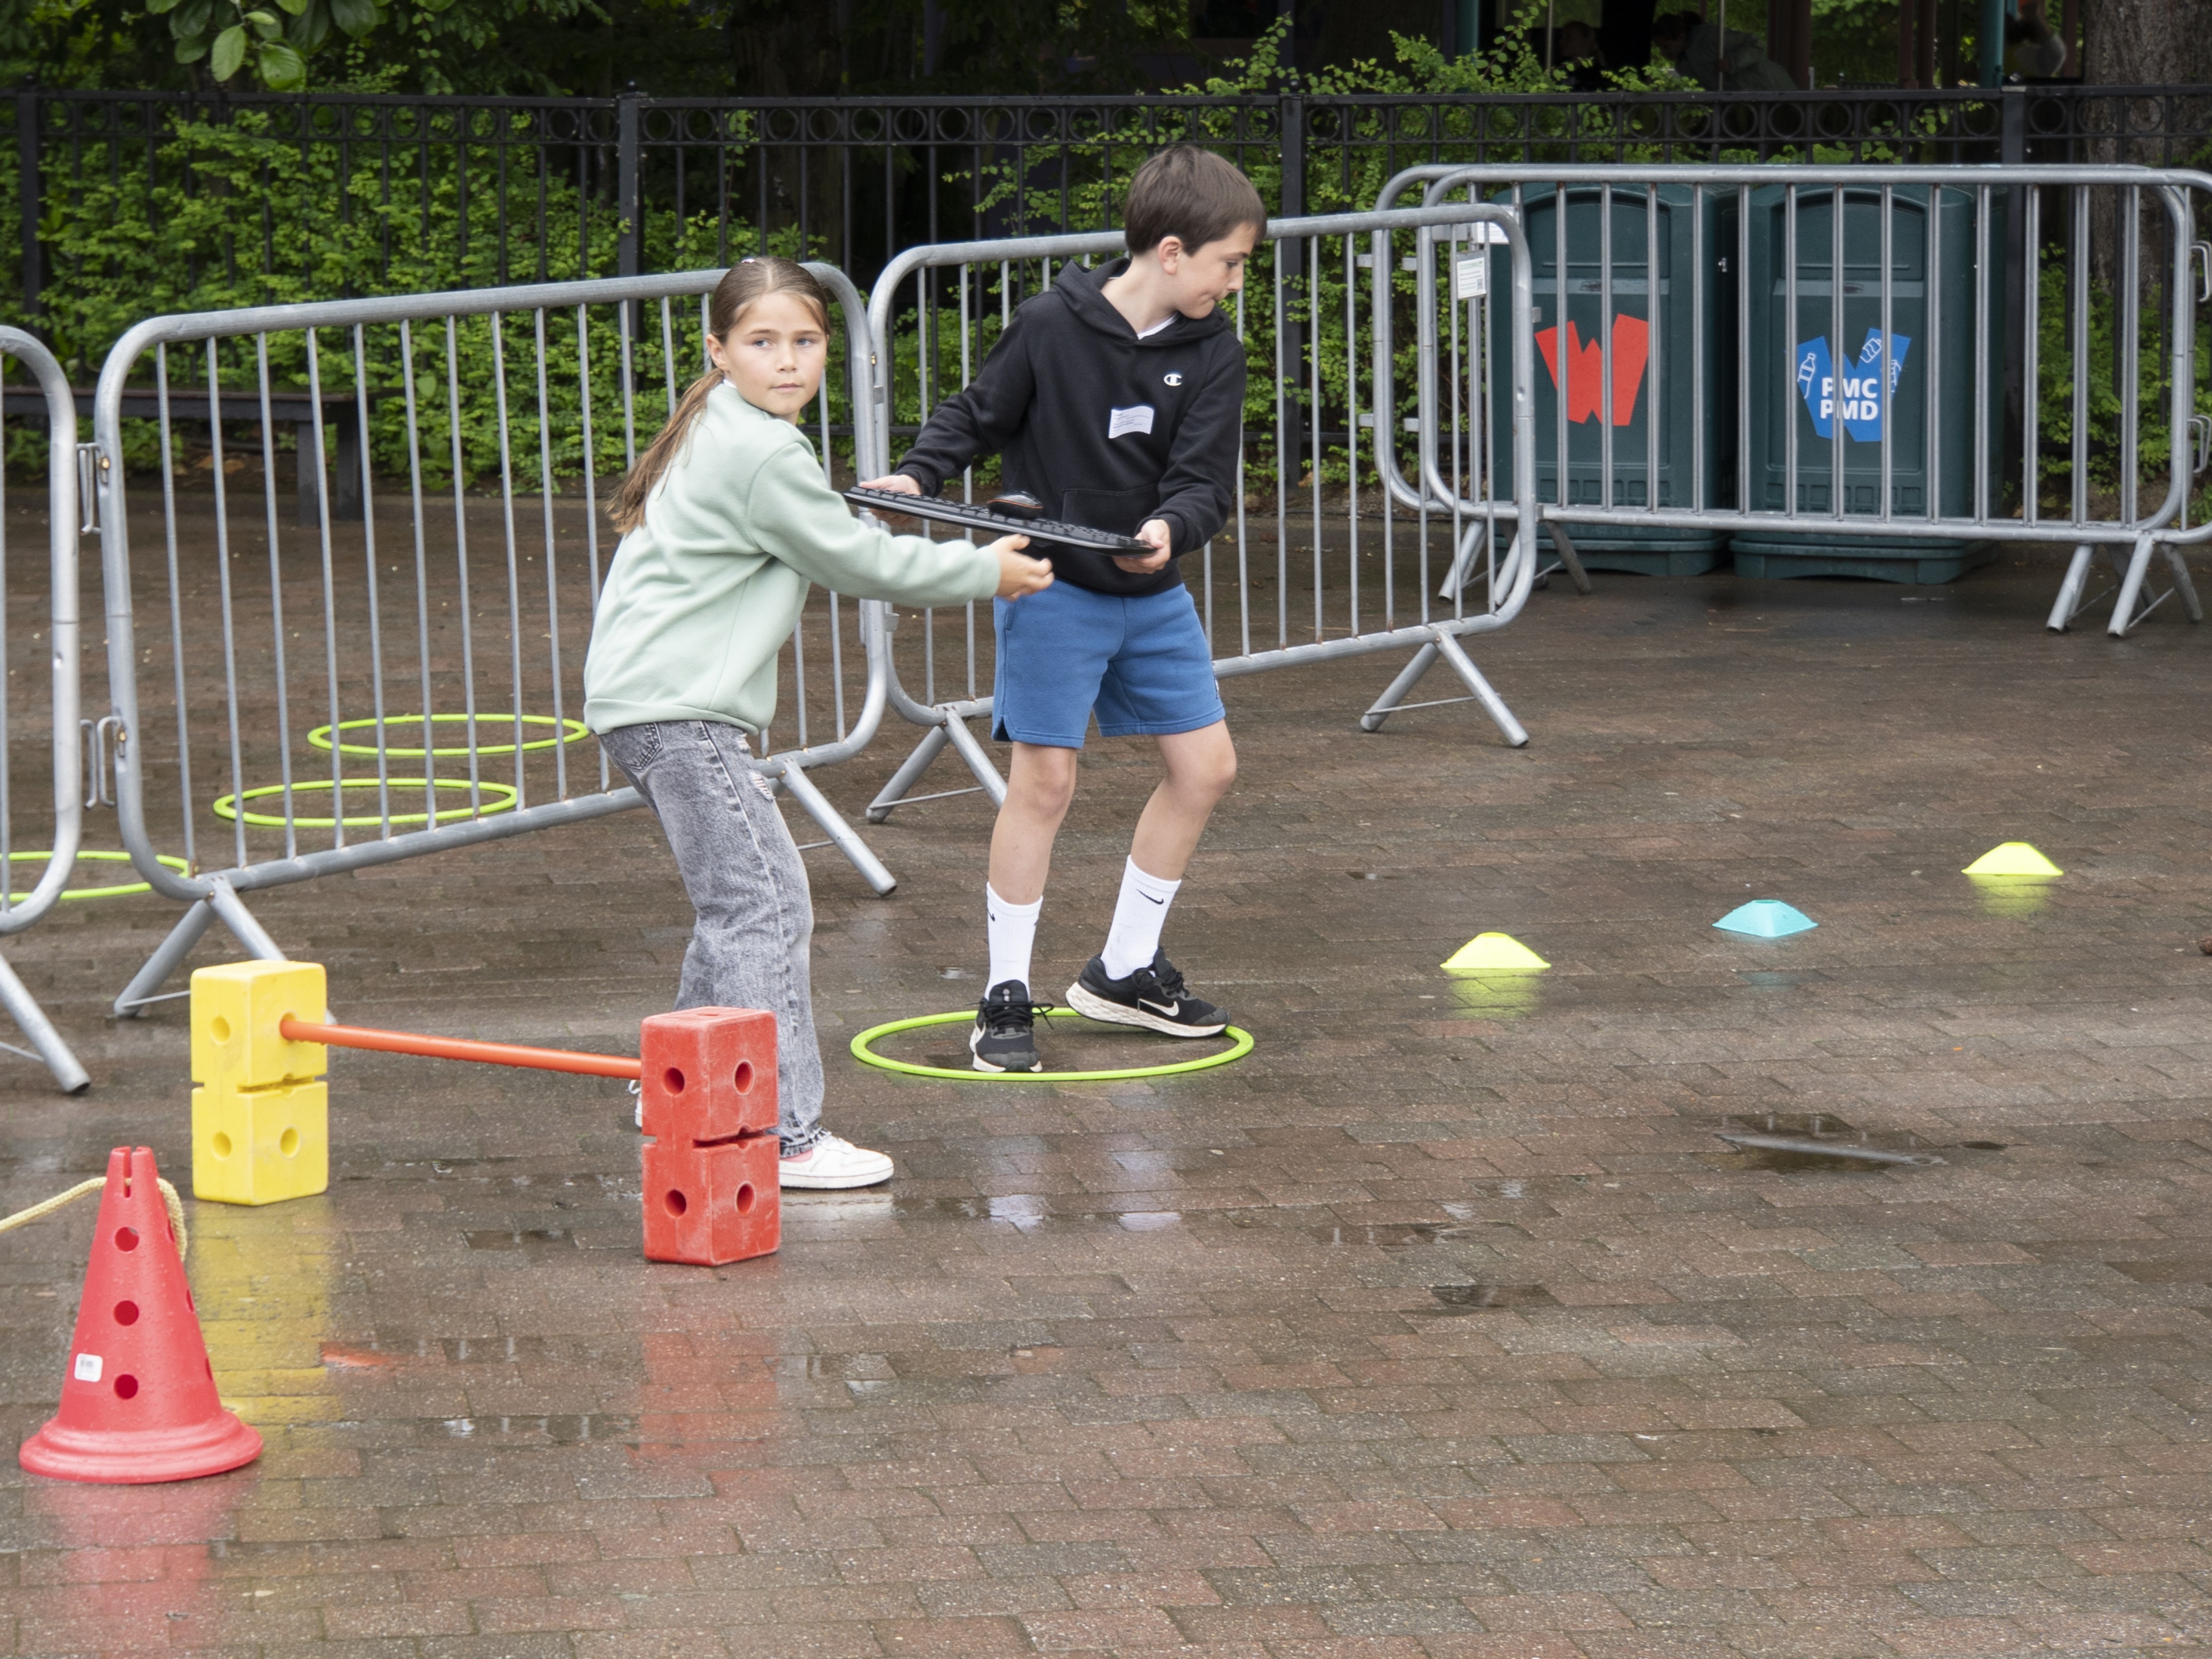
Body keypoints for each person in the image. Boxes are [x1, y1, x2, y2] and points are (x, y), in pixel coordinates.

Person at [583, 257, 1055, 1186]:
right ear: (719, 351)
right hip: (679, 712)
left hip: (650, 704)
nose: (787, 361)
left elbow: (823, 536)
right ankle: (783, 1137)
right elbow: (853, 563)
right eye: (763, 343)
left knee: (738, 902)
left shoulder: (728, 425)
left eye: (804, 342)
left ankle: (673, 1088)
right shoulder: (761, 448)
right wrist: (981, 571)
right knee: (764, 904)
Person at [857, 145, 1262, 1074]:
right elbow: (976, 415)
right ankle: (1004, 994)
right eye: (1229, 262)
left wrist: (1169, 527)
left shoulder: (1214, 351)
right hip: (1050, 589)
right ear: (1171, 252)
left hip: (1152, 596)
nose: (1235, 281)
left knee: (1206, 770)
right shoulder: (1049, 323)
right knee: (1045, 786)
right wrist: (919, 474)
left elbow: (1204, 482)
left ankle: (1123, 971)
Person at [1651, 10, 1798, 89]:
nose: (1664, 53)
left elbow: (1756, 46)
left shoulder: (1710, 37)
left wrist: (1732, 63)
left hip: (1769, 87)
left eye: (1666, 47)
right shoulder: (1684, 65)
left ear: (1681, 36)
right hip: (1745, 100)